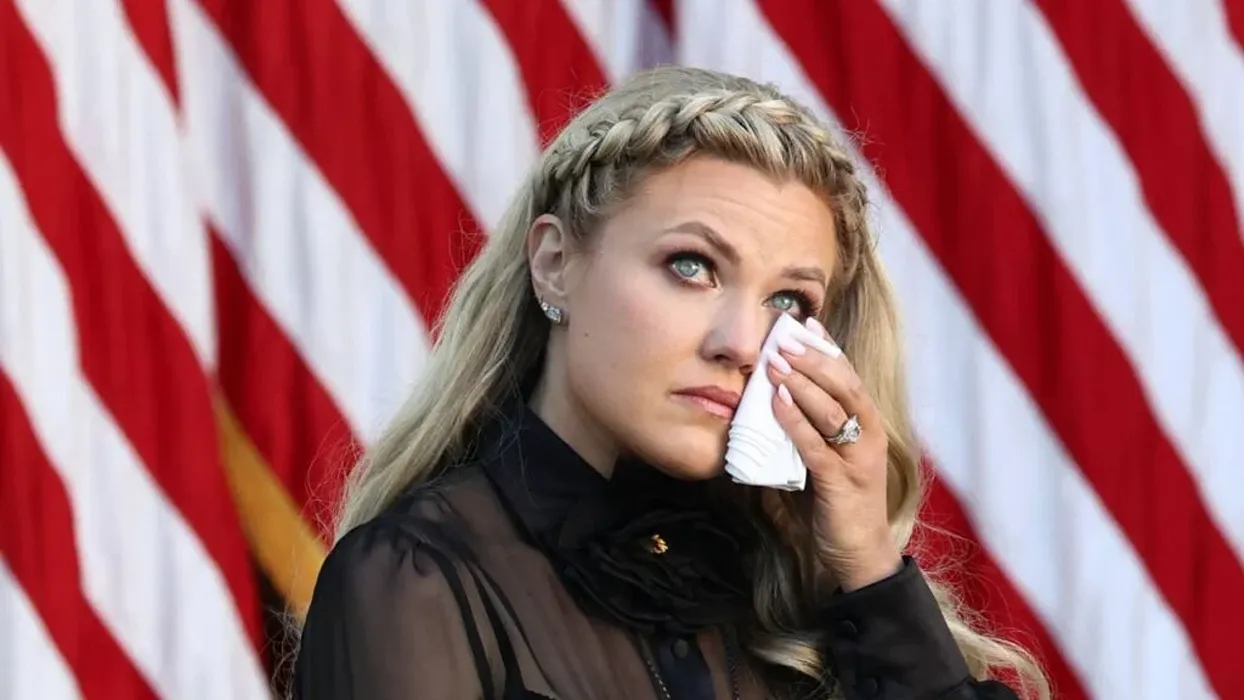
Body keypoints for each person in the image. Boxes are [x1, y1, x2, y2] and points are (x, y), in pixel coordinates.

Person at [289, 66, 1049, 700]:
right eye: (692, 266)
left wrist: (868, 567)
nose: (741, 344)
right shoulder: (416, 581)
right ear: (554, 263)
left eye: (788, 302)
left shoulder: (798, 600)